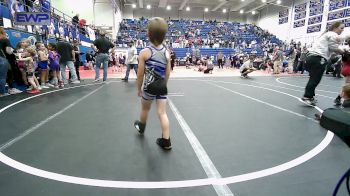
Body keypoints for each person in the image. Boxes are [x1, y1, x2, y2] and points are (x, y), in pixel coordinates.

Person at [134, 17, 172, 150]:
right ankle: (166, 141)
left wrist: (139, 89)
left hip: (149, 87)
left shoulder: (144, 52)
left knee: (145, 108)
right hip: (162, 87)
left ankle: (141, 127)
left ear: (148, 34)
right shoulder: (167, 53)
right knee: (162, 113)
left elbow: (140, 75)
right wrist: (164, 85)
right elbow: (168, 73)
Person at [301, 22, 347, 106]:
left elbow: (331, 50)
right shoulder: (333, 34)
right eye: (341, 28)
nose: (343, 30)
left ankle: (310, 96)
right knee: (315, 79)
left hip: (311, 58)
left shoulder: (326, 35)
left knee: (313, 78)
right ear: (335, 28)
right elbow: (333, 47)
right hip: (318, 58)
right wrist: (344, 52)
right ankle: (307, 96)